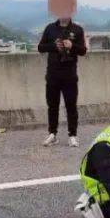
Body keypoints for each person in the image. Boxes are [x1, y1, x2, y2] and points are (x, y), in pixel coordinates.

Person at [37, 15, 87, 147]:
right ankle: (52, 134)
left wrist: (72, 45)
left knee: (71, 106)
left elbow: (83, 51)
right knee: (52, 106)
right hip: (53, 74)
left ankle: (72, 135)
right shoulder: (50, 28)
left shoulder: (77, 30)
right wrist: (54, 46)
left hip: (69, 75)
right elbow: (40, 47)